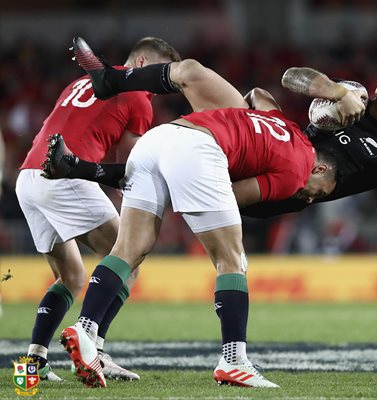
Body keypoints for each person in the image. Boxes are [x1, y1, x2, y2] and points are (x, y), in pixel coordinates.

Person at [59, 87, 340, 388]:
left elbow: (259, 93)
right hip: (198, 149)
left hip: (158, 138)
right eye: (319, 192)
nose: (310, 199)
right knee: (232, 258)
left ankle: (85, 329)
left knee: (129, 249)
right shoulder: (297, 173)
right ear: (320, 168)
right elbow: (231, 196)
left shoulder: (283, 124)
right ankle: (234, 361)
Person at [48, 37, 377, 242]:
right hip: (275, 141)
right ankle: (109, 87)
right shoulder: (350, 97)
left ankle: (86, 168)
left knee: (178, 181)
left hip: (285, 184)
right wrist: (335, 91)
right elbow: (290, 77)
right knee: (193, 74)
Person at [15, 37, 181, 382]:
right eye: (161, 72)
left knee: (72, 275)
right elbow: (129, 165)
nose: (161, 84)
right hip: (64, 179)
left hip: (29, 177)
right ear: (142, 63)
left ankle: (34, 363)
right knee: (128, 255)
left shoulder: (81, 80)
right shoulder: (138, 94)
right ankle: (95, 348)